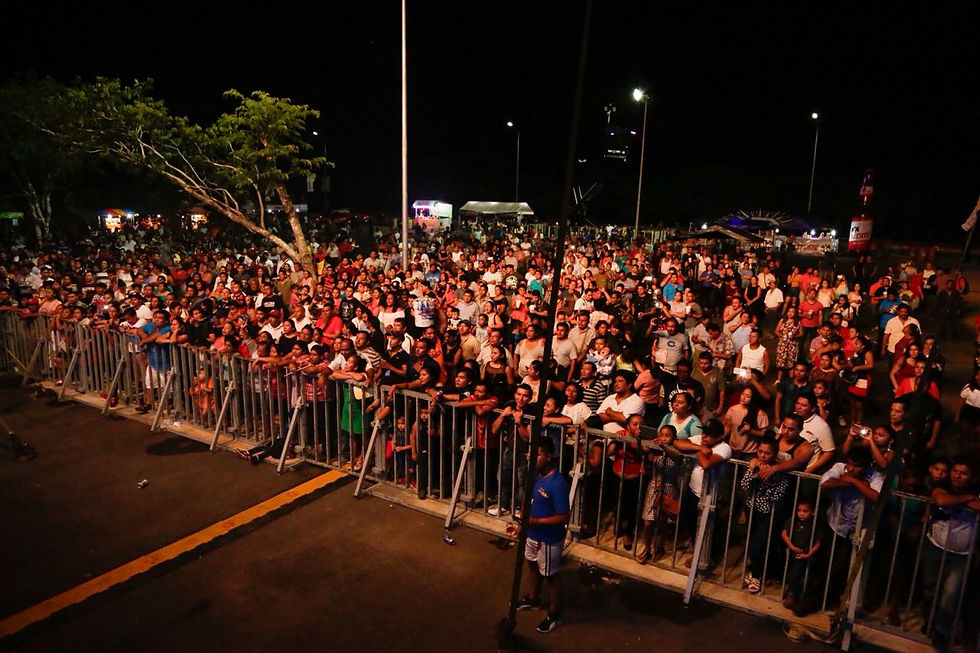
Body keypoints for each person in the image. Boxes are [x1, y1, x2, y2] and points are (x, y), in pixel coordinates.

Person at [920, 458, 980, 649]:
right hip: (936, 546)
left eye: (963, 473)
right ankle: (929, 622)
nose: (957, 476)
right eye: (955, 471)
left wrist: (961, 501)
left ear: (972, 477)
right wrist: (968, 499)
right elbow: (941, 499)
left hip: (962, 554)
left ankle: (941, 632)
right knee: (930, 589)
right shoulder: (943, 485)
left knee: (950, 594)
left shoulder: (976, 488)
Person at [515, 437, 570, 635]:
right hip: (532, 533)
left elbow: (563, 516)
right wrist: (522, 522)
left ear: (548, 456)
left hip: (548, 538)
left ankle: (555, 614)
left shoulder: (557, 483)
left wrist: (536, 521)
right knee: (532, 564)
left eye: (536, 454)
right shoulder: (534, 475)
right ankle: (533, 598)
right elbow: (526, 497)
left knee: (550, 575)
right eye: (530, 453)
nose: (530, 457)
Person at [740, 436, 789, 593]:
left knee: (759, 545)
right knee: (752, 542)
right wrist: (752, 471)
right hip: (751, 509)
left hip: (768, 513)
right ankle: (756, 571)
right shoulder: (754, 464)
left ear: (774, 454)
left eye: (767, 453)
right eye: (760, 451)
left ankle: (756, 576)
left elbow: (776, 495)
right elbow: (744, 485)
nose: (762, 455)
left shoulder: (779, 471)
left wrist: (767, 479)